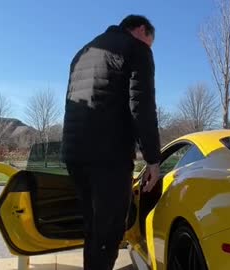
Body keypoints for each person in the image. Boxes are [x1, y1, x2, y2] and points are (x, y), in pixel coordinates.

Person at [61, 15, 161, 270]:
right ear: (140, 30)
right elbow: (142, 106)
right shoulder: (136, 49)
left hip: (75, 153)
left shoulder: (82, 53)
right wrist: (153, 159)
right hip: (109, 156)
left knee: (93, 228)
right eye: (149, 42)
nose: (149, 48)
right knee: (110, 232)